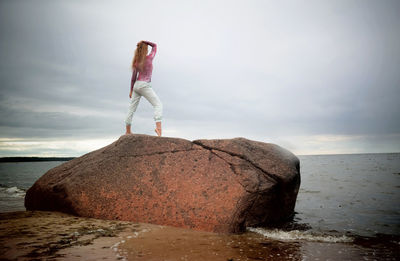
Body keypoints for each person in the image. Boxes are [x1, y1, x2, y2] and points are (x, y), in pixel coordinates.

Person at [125, 40, 163, 136]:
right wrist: (145, 41)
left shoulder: (136, 62)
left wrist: (131, 90)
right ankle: (158, 129)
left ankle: (128, 130)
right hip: (144, 85)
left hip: (136, 86)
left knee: (131, 108)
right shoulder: (150, 58)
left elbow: (133, 78)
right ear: (146, 49)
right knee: (158, 105)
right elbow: (154, 46)